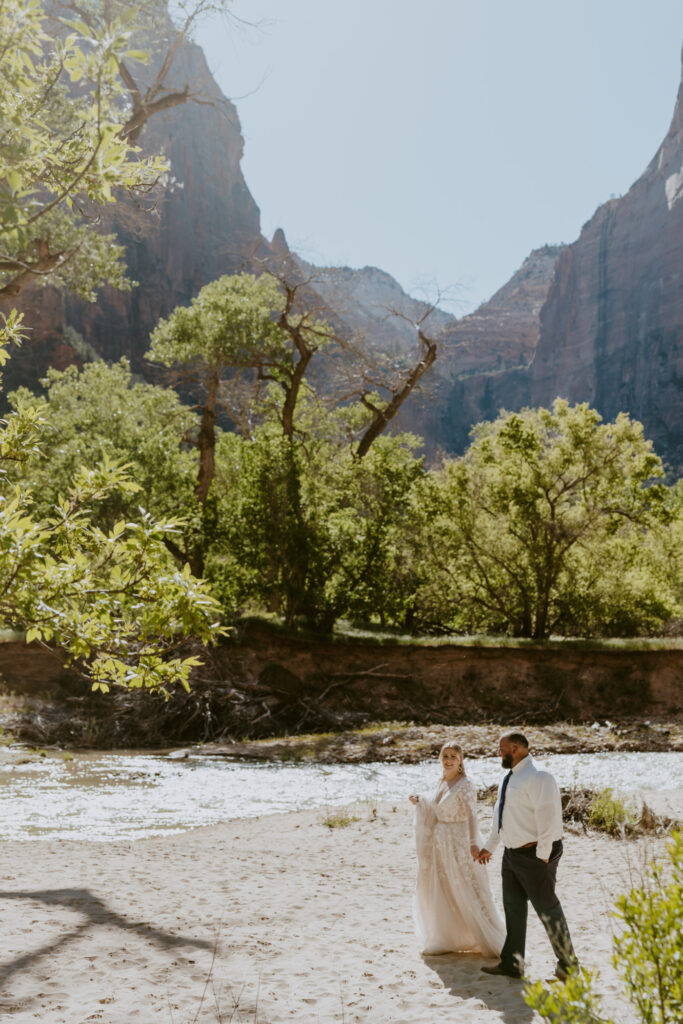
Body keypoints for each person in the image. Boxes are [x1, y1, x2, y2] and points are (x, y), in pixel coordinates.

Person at [476, 731, 578, 980]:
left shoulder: (539, 777)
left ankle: (568, 966)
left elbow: (548, 817)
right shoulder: (508, 778)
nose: (498, 752)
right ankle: (512, 963)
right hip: (511, 854)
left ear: (517, 749)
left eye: (502, 749)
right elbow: (500, 816)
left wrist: (543, 855)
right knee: (513, 908)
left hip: (535, 854)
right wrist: (491, 845)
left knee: (547, 909)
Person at [409, 742, 505, 956]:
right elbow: (436, 808)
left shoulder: (466, 784)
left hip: (459, 841)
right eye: (445, 756)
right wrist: (421, 801)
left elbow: (472, 814)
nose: (449, 760)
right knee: (444, 888)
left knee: (467, 888)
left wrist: (473, 843)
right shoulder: (442, 781)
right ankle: (447, 938)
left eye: (453, 756)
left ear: (461, 759)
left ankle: (486, 937)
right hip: (440, 842)